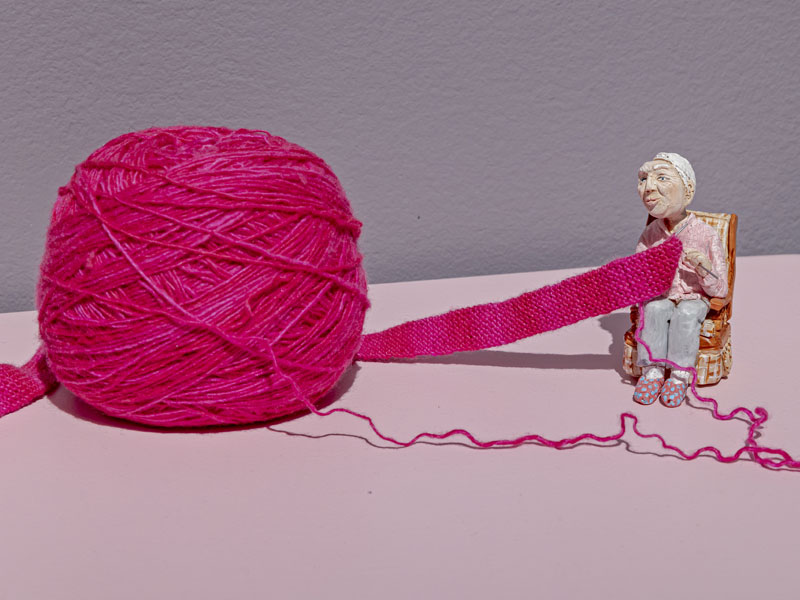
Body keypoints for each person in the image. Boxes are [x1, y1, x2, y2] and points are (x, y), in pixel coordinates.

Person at [632, 152, 728, 407]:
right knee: (653, 307)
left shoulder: (705, 234)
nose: (648, 187)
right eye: (643, 179)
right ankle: (652, 370)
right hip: (662, 295)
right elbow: (637, 279)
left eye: (661, 177)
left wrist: (704, 268)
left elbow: (720, 288)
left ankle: (679, 374)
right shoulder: (651, 234)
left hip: (696, 296)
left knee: (686, 314)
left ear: (688, 190)